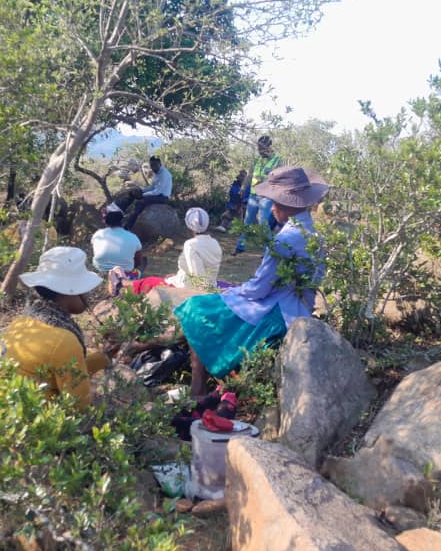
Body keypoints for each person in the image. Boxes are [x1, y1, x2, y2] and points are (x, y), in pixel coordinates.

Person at [176, 166, 328, 398]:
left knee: (195, 308)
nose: (273, 207)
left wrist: (232, 292)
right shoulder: (315, 235)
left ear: (287, 205)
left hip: (278, 312)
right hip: (300, 309)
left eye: (276, 202)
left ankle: (198, 387)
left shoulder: (285, 239)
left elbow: (258, 289)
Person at [0, 247, 110, 407]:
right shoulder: (64, 340)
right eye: (85, 288)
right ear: (71, 291)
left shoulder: (21, 323)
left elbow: (65, 369)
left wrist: (105, 357)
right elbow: (78, 406)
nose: (88, 294)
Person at [109, 207, 222, 296]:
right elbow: (202, 269)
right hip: (210, 285)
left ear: (189, 226)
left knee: (149, 282)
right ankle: (123, 282)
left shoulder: (191, 245)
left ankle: (120, 283)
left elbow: (197, 277)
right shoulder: (215, 243)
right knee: (164, 278)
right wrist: (178, 275)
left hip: (189, 289)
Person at [234, 136, 281, 254]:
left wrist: (265, 183)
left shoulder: (277, 160)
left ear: (269, 146)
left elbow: (280, 179)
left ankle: (269, 251)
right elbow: (250, 175)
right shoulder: (257, 160)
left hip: (267, 196)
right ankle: (240, 246)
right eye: (258, 148)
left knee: (263, 224)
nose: (259, 150)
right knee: (247, 222)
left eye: (262, 148)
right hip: (253, 196)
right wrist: (243, 187)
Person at [91, 202, 144, 277]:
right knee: (142, 264)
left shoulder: (98, 235)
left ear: (105, 221)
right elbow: (138, 262)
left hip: (100, 272)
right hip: (124, 274)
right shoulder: (133, 237)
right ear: (122, 221)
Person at [124, 156, 173, 230]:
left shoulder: (164, 174)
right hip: (157, 195)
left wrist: (142, 195)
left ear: (160, 164)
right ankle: (122, 214)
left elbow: (157, 191)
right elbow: (152, 187)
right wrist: (142, 190)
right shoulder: (157, 173)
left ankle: (128, 226)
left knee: (140, 202)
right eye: (152, 166)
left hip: (163, 197)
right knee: (133, 193)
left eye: (155, 165)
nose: (153, 168)